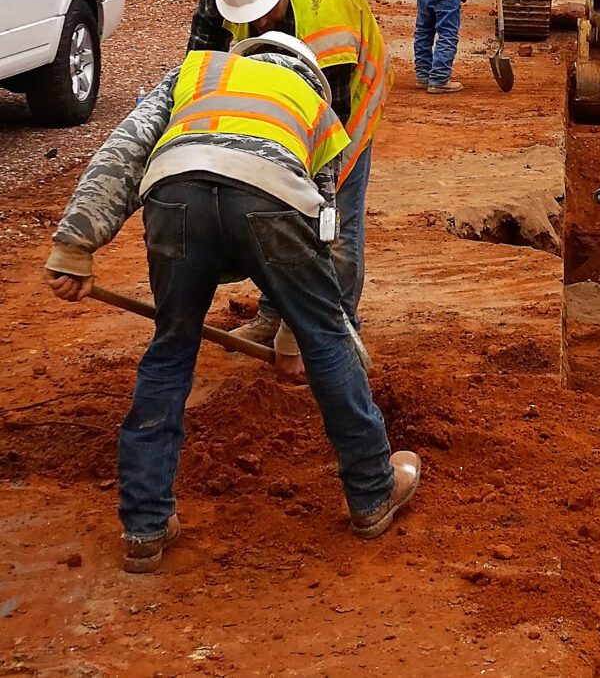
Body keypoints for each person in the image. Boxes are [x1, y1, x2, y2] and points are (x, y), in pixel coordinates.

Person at [43, 32, 420, 571]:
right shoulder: (315, 111)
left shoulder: (196, 75)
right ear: (308, 74)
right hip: (273, 197)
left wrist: (76, 241)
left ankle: (145, 525)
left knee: (172, 348)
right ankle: (372, 492)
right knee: (330, 342)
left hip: (175, 193)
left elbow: (124, 150)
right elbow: (326, 227)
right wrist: (301, 332)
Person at [188, 0, 392, 344]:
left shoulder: (325, 14)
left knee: (334, 225)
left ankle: (336, 327)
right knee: (272, 212)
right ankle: (274, 313)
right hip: (275, 96)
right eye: (250, 17)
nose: (260, 24)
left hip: (344, 102)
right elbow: (199, 70)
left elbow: (328, 126)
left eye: (266, 13)